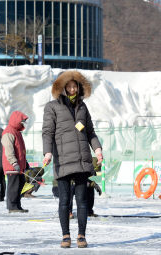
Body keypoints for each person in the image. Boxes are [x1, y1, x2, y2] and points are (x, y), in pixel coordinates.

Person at [42, 70, 103, 249]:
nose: (72, 88)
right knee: (64, 200)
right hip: (63, 160)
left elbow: (90, 132)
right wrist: (47, 153)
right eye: (68, 86)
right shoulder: (52, 107)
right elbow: (47, 132)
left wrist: (98, 149)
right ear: (61, 88)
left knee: (82, 200)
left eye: (74, 85)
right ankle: (66, 236)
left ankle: (81, 236)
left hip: (82, 160)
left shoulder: (83, 107)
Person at [1, 110, 29, 213]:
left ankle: (17, 205)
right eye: (22, 121)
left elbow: (20, 150)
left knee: (20, 185)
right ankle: (12, 206)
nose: (23, 123)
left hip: (19, 166)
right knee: (14, 186)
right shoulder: (9, 132)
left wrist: (24, 162)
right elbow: (9, 149)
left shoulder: (17, 132)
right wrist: (14, 162)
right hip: (12, 166)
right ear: (17, 120)